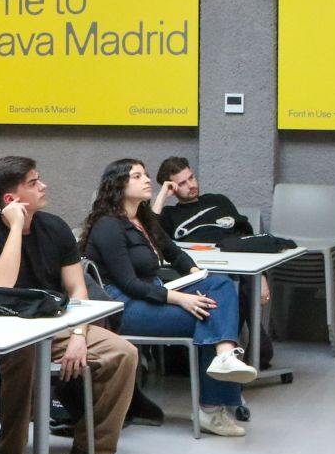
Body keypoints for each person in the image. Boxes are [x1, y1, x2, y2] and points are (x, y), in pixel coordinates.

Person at [0, 157, 140, 454]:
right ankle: (8, 453)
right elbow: (0, 284)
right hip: (10, 329)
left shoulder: (55, 227)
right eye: (33, 183)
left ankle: (92, 449)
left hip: (57, 324)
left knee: (123, 353)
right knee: (24, 355)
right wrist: (16, 228)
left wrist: (78, 335)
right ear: (11, 199)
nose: (43, 186)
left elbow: (78, 289)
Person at [79, 158, 258, 438]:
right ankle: (211, 409)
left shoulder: (143, 219)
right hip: (123, 306)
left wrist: (197, 275)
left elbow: (175, 254)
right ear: (118, 185)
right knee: (209, 314)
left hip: (152, 293)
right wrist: (180, 299)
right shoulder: (108, 226)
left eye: (145, 174)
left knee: (221, 283)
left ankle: (224, 356)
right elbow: (129, 283)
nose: (146, 180)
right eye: (137, 176)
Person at [151, 156, 273, 355]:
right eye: (182, 183)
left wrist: (262, 275)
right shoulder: (170, 214)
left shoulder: (218, 201)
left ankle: (252, 350)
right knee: (222, 283)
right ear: (172, 188)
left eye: (191, 178)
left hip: (237, 262)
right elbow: (150, 234)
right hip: (198, 268)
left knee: (245, 282)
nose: (191, 185)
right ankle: (233, 351)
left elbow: (249, 240)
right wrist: (162, 195)